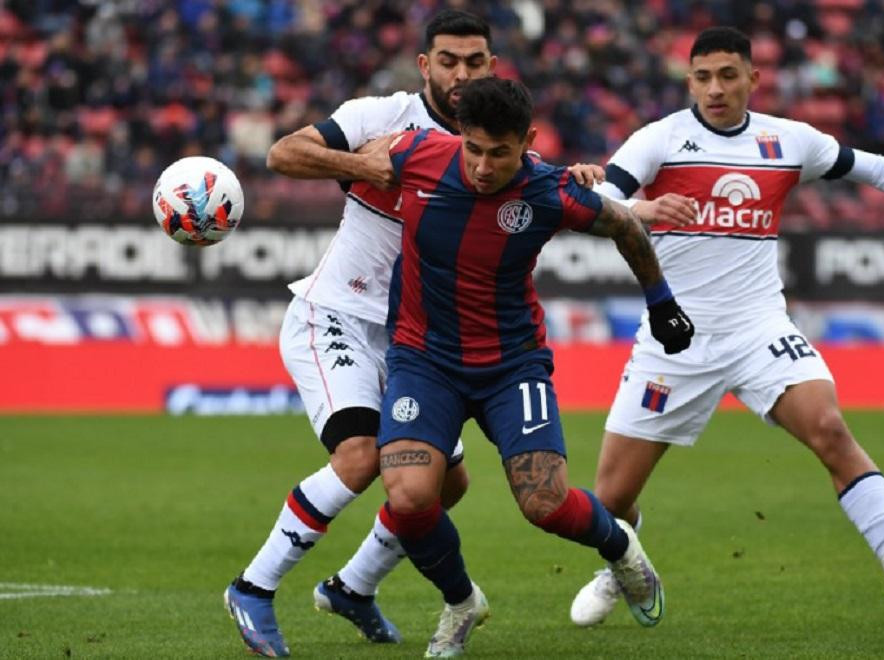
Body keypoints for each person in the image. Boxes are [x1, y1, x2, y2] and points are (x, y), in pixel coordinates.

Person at [568, 26, 884, 632]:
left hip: (760, 328)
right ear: (689, 81)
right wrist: (645, 210)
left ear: (752, 79)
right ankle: (622, 564)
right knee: (609, 503)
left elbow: (874, 168)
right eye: (703, 77)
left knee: (831, 429)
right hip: (675, 339)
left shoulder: (787, 141)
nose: (715, 88)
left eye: (728, 75)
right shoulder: (660, 140)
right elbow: (599, 199)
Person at [368, 76, 694, 658]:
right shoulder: (414, 153)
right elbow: (330, 160)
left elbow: (623, 223)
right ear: (458, 135)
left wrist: (661, 301)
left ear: (528, 142)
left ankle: (621, 549)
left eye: (500, 152)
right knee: (410, 498)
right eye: (473, 148)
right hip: (423, 359)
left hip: (511, 366)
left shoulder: (549, 191)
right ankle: (461, 602)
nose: (484, 166)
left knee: (543, 503)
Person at [223, 11, 492, 658]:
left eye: (474, 62)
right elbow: (283, 152)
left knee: (443, 485)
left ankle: (353, 585)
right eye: (448, 61)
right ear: (425, 65)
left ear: (490, 66)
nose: (460, 74)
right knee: (360, 458)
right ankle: (253, 587)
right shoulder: (381, 116)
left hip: (414, 342)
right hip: (336, 316)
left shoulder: (491, 141)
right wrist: (363, 167)